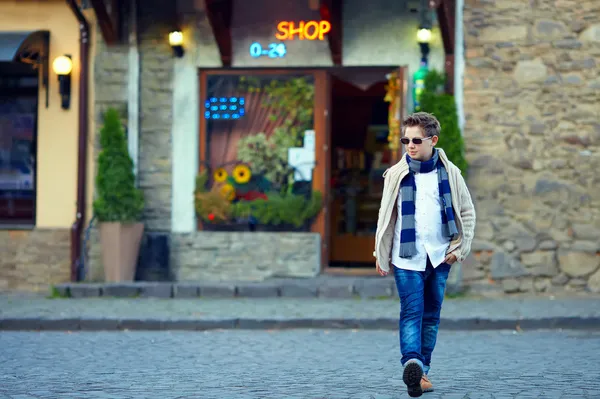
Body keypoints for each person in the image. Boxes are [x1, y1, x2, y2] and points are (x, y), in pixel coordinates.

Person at [373, 112, 476, 397]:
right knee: (412, 312)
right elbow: (386, 218)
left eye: (416, 140)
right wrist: (380, 254)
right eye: (405, 139)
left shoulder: (451, 173)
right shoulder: (396, 173)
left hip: (441, 256)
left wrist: (459, 250)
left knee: (431, 316)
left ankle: (422, 373)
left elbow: (466, 212)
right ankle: (413, 363)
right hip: (406, 257)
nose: (410, 145)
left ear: (433, 140)